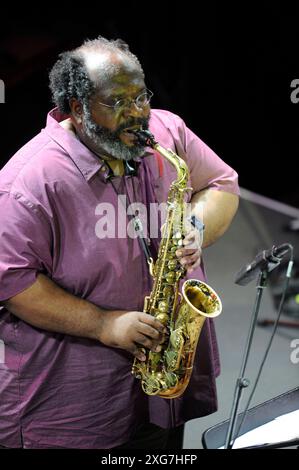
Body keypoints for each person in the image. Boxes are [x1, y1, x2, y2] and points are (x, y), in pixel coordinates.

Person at [0, 36, 239, 449]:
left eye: (140, 96)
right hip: (78, 402)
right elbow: (13, 283)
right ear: (78, 108)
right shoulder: (27, 182)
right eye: (117, 103)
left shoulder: (165, 131)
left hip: (165, 373)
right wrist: (103, 324)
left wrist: (196, 228)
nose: (138, 114)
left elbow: (221, 184)